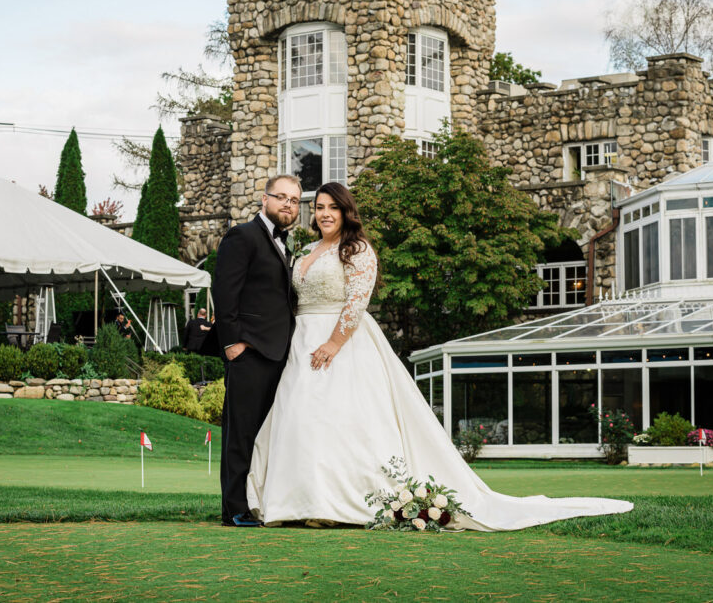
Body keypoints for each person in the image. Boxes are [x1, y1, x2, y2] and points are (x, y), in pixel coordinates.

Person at [246, 182, 632, 530]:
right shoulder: (308, 250)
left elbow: (357, 301)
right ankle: (301, 501)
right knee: (301, 419)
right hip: (301, 343)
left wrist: (333, 343)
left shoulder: (358, 249)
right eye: (320, 207)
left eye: (334, 207)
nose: (325, 213)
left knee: (343, 421)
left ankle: (339, 504)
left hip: (341, 343)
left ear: (347, 212)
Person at [213, 174, 301, 527]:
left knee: (268, 436)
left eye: (294, 200)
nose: (288, 205)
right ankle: (234, 509)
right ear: (264, 199)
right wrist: (232, 344)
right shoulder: (242, 236)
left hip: (280, 355)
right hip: (249, 354)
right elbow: (224, 292)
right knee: (241, 435)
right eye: (281, 197)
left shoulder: (287, 243)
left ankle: (258, 502)